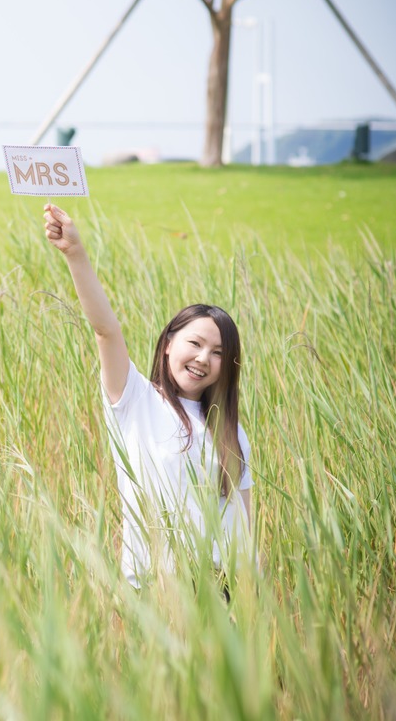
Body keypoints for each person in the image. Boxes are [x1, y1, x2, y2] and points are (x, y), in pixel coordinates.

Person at [43, 204, 253, 590]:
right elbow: (106, 330)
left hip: (222, 591)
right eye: (196, 343)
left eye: (219, 352)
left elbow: (244, 526)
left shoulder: (230, 430)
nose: (204, 359)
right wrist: (75, 254)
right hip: (154, 588)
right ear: (169, 344)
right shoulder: (135, 399)